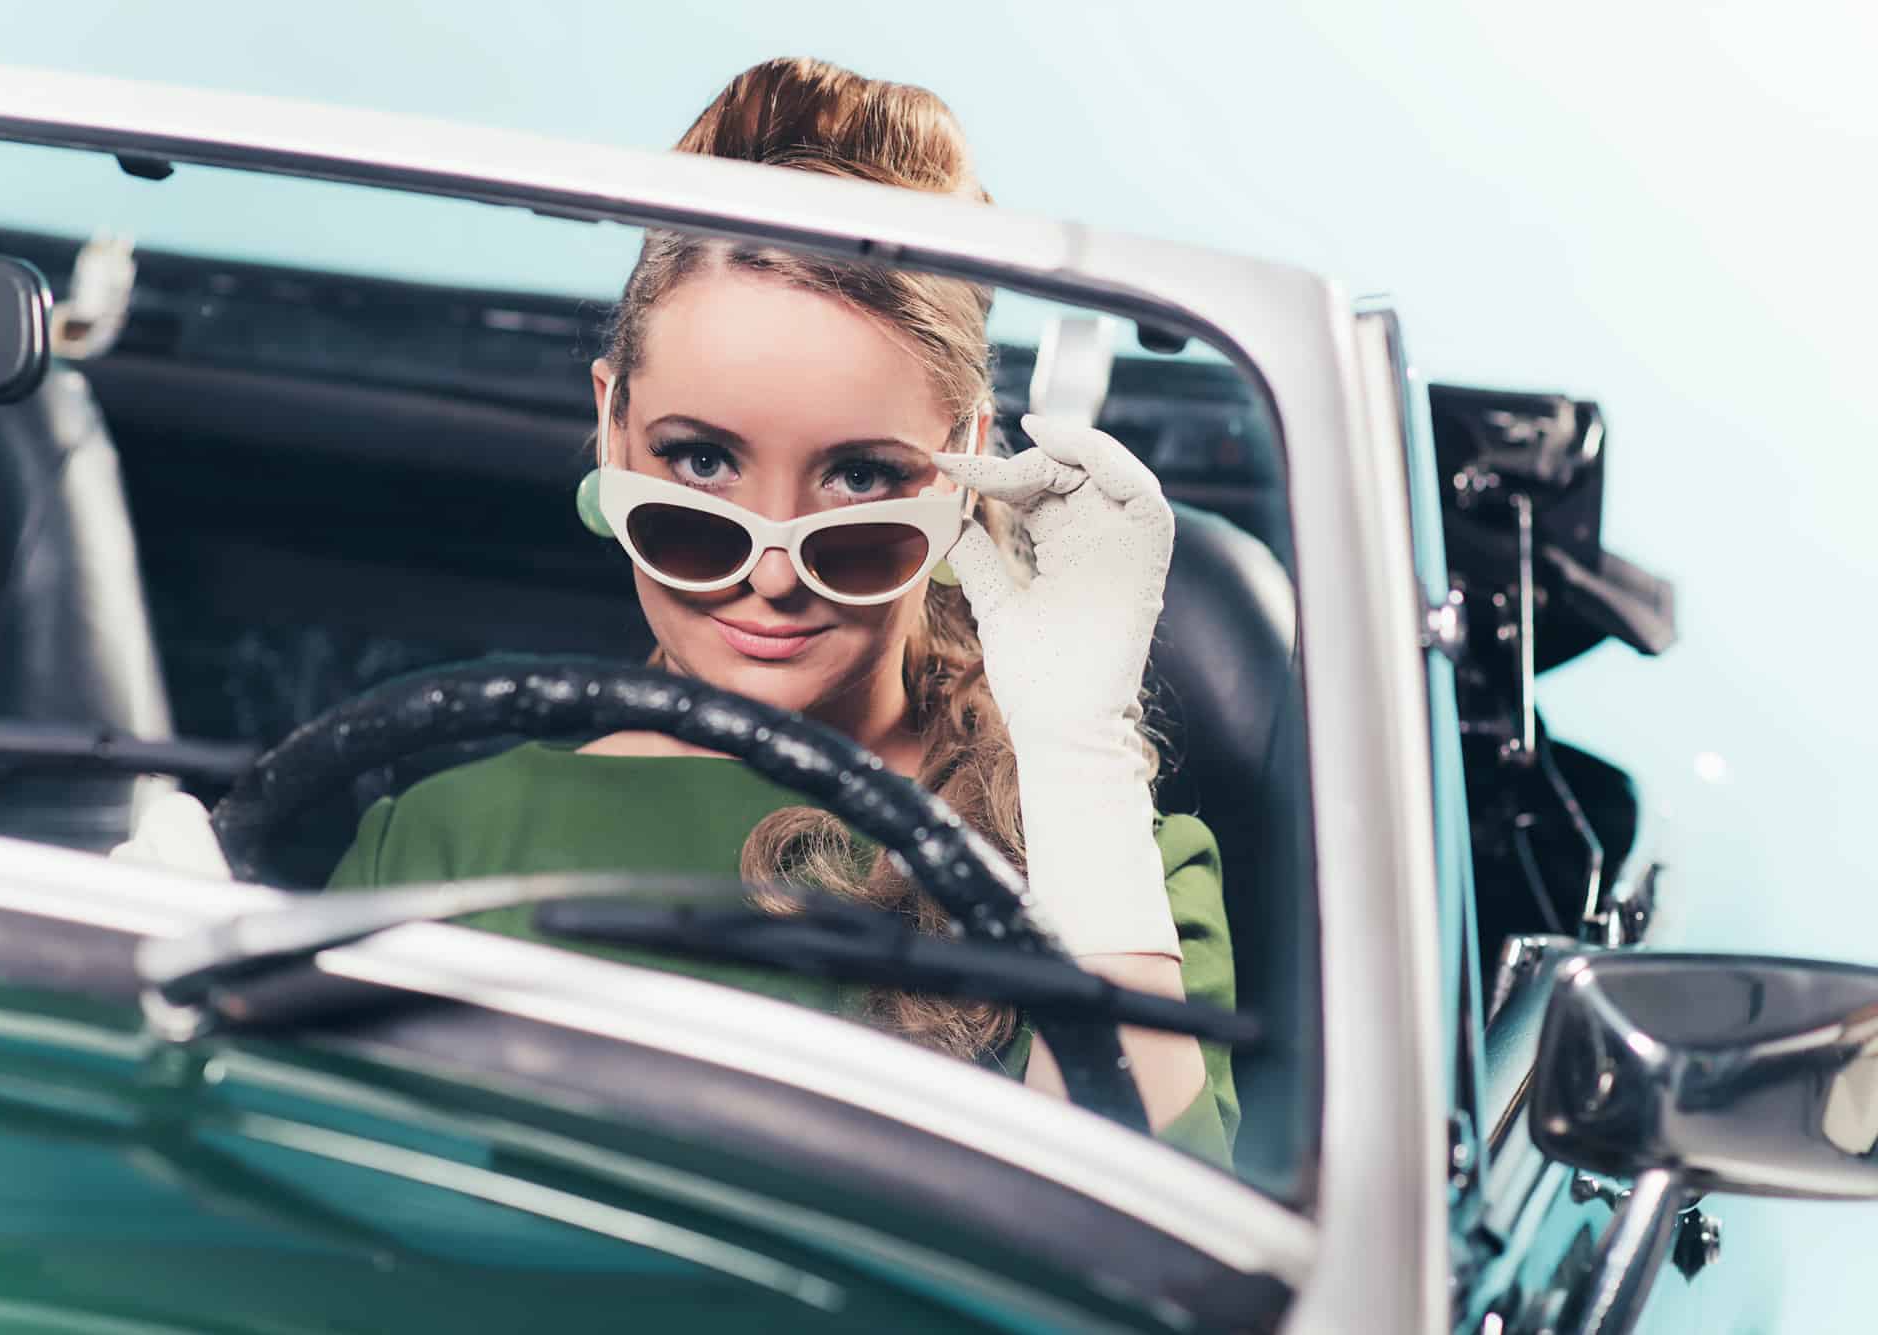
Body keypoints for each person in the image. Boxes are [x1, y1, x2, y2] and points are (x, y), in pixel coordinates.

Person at [119, 57, 1238, 1163]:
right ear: (613, 429)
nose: (772, 571)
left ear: (965, 462)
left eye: (858, 476)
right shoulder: (440, 835)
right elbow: (314, 1202)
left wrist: (1077, 764)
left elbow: (1144, 1234)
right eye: (701, 461)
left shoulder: (1114, 865)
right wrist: (143, 993)